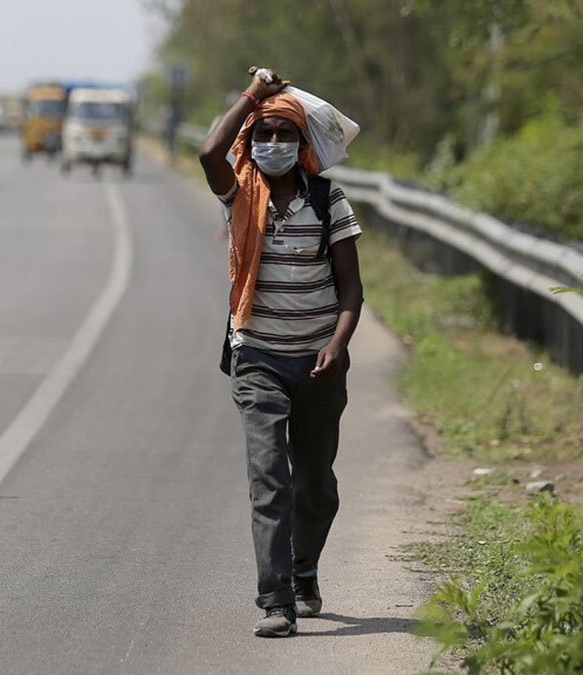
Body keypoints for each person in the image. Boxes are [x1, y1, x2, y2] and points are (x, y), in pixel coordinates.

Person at [198, 66, 364, 638]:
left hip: (319, 363)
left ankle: (303, 568)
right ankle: (276, 601)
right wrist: (255, 97)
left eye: (284, 133)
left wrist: (336, 345)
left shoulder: (327, 200)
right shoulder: (240, 195)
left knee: (315, 486)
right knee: (269, 480)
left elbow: (351, 289)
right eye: (264, 134)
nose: (273, 143)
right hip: (258, 359)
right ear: (251, 140)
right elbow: (209, 153)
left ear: (301, 142)